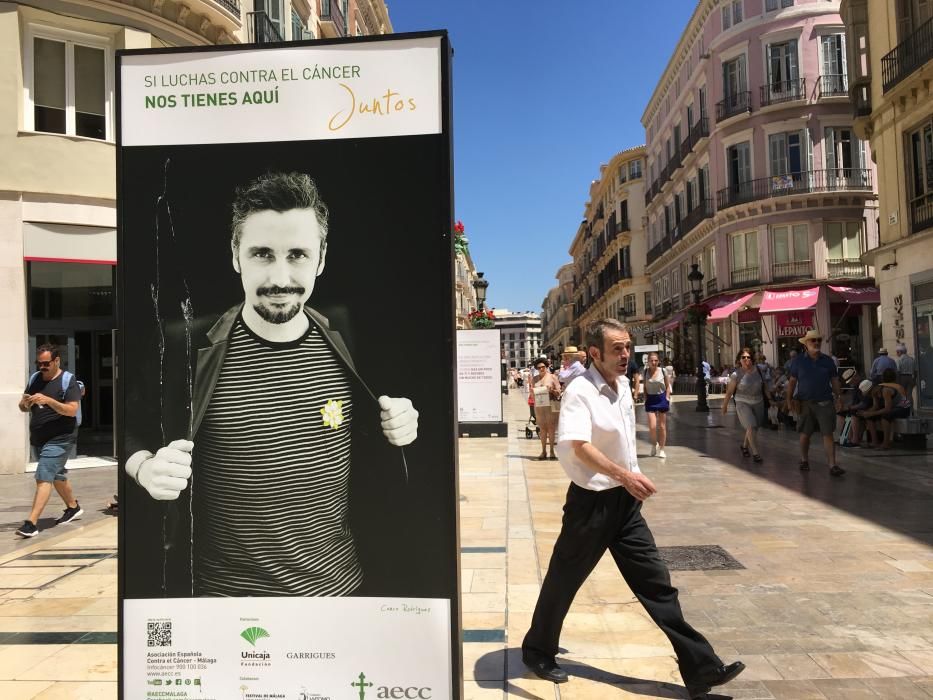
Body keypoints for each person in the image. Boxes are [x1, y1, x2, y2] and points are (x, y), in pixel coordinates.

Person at [124, 171, 419, 597]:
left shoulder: (354, 341)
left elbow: (385, 433)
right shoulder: (183, 347)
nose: (280, 277)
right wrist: (144, 467)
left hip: (339, 596)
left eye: (297, 254)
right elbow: (126, 428)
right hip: (222, 602)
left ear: (321, 258)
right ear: (235, 255)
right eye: (262, 254)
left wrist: (402, 427)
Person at [520, 319, 745, 697]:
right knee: (565, 579)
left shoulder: (623, 386)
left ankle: (702, 667)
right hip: (590, 504)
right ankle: (537, 650)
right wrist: (625, 475)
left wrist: (632, 477)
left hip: (624, 504)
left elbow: (622, 440)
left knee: (657, 584)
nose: (627, 355)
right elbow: (579, 446)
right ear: (595, 353)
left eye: (628, 347)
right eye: (618, 349)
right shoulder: (580, 392)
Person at [16, 344, 83, 538]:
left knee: (43, 475)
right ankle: (73, 507)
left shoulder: (67, 380)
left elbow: (71, 410)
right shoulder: (35, 378)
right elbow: (23, 407)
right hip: (39, 438)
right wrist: (25, 403)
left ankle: (31, 523)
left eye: (46, 363)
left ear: (56, 361)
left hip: (61, 437)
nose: (42, 367)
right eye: (40, 363)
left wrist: (48, 401)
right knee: (56, 474)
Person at [785, 329, 845, 476]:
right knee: (805, 434)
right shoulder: (798, 361)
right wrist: (788, 399)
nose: (817, 342)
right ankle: (804, 460)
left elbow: (835, 380)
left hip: (825, 402)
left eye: (818, 340)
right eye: (813, 340)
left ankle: (832, 465)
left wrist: (839, 397)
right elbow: (792, 382)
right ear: (806, 343)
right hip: (805, 403)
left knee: (828, 434)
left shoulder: (828, 361)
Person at [722, 348, 771, 463]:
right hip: (742, 402)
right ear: (739, 360)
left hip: (758, 401)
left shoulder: (758, 370)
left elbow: (764, 386)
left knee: (754, 427)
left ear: (752, 359)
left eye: (748, 357)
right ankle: (755, 452)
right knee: (750, 426)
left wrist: (770, 399)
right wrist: (724, 406)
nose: (746, 359)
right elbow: (729, 392)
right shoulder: (736, 374)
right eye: (743, 357)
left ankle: (744, 446)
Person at [859, 368, 911, 449]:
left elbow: (887, 409)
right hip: (894, 407)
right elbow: (875, 406)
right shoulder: (874, 392)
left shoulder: (885, 390)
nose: (869, 396)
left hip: (903, 407)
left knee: (885, 417)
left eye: (868, 394)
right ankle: (874, 442)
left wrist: (871, 413)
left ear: (871, 389)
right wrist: (866, 413)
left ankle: (886, 443)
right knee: (869, 417)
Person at [635, 352, 671, 458]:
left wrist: (667, 398)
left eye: (656, 360)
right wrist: (646, 398)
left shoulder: (663, 371)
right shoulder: (645, 372)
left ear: (658, 361)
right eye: (652, 361)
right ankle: (654, 444)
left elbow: (668, 386)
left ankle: (662, 449)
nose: (654, 362)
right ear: (648, 362)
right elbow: (645, 387)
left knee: (662, 426)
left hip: (661, 398)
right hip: (651, 399)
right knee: (652, 426)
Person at [532, 359, 561, 460]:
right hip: (539, 407)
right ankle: (543, 451)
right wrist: (533, 392)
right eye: (539, 367)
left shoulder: (553, 377)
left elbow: (559, 392)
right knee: (542, 430)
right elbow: (532, 395)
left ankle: (552, 451)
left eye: (543, 367)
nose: (541, 369)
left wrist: (551, 390)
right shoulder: (534, 379)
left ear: (546, 367)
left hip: (550, 406)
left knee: (551, 429)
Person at [896, 343, 917, 408]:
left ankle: (905, 410)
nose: (897, 353)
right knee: (909, 395)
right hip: (911, 377)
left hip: (902, 378)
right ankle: (911, 411)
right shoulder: (911, 359)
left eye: (897, 352)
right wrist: (914, 379)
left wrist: (898, 382)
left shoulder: (899, 360)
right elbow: (915, 371)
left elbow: (898, 371)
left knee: (903, 395)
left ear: (900, 352)